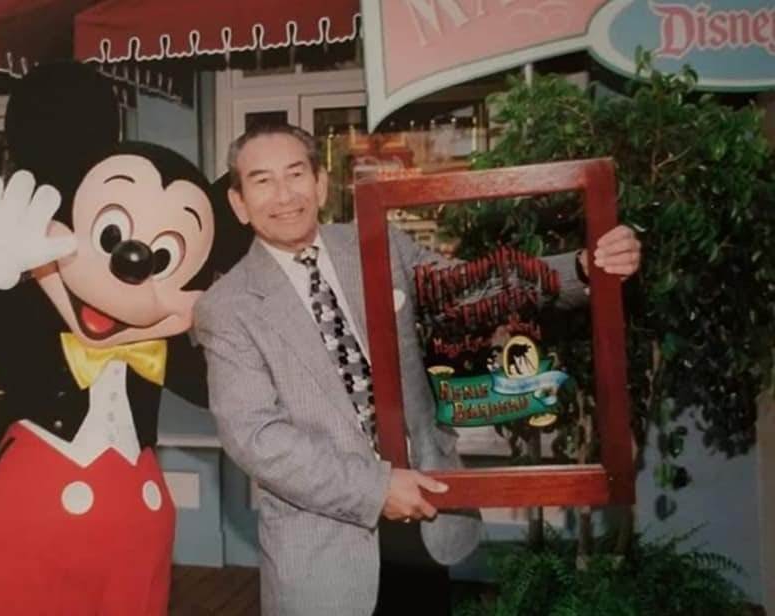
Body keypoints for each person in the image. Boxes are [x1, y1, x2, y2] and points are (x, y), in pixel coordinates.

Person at [193, 124, 641, 615]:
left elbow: (470, 288)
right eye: (262, 181)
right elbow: (257, 437)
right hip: (324, 551)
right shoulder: (227, 307)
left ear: (320, 184)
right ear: (239, 203)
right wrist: (377, 488)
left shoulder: (377, 244)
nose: (284, 195)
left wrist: (581, 267)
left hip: (427, 525)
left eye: (296, 174)